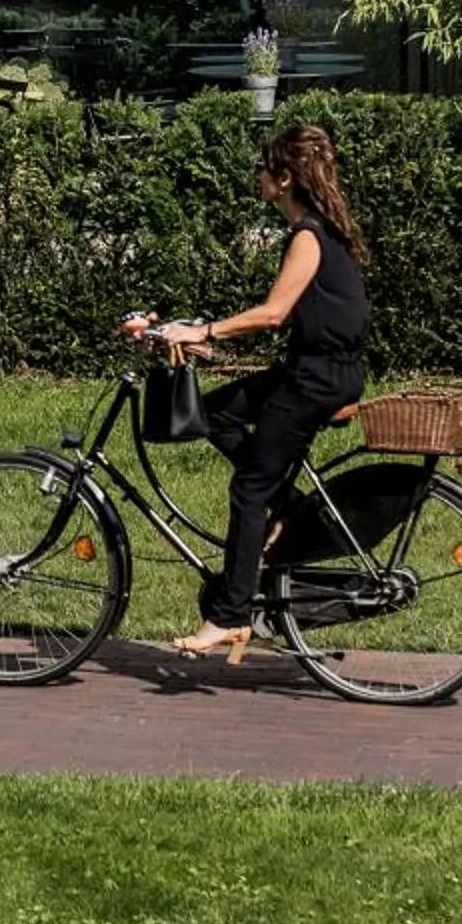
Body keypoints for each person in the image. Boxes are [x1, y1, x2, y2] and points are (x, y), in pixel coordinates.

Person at [155, 123, 369, 666]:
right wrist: (212, 340)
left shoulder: (307, 237)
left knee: (249, 491)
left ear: (285, 178)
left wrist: (203, 331)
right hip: (316, 370)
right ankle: (289, 514)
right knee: (215, 412)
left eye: (263, 169)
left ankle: (229, 616)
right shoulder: (320, 230)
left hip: (316, 380)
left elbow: (273, 313)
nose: (257, 177)